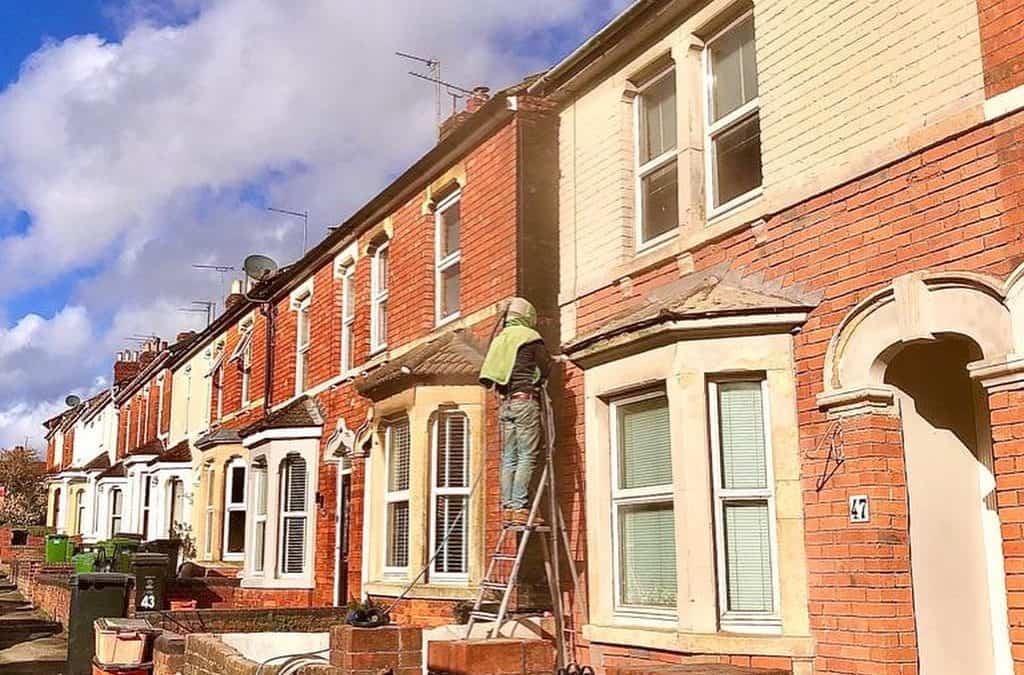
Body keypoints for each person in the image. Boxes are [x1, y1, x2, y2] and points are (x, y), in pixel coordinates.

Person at [479, 297, 554, 525]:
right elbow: (546, 365)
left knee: (508, 457)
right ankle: (520, 508)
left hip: (507, 405)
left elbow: (497, 376)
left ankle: (508, 509)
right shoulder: (529, 337)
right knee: (527, 455)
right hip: (525, 402)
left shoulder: (502, 339)